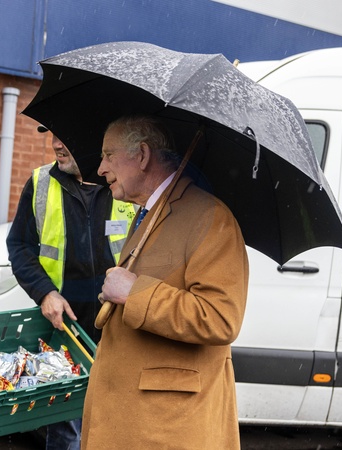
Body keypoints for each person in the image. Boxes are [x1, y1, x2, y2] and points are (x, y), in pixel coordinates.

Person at [81, 115, 249, 449]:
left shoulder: (210, 217)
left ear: (142, 156)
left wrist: (135, 292)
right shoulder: (148, 213)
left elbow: (221, 318)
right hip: (134, 421)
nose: (100, 168)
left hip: (166, 428)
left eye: (109, 155)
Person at [6, 125, 134, 450]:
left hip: (118, 333)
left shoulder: (127, 184)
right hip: (64, 333)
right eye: (52, 135)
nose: (56, 144)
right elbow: (19, 246)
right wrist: (45, 292)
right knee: (65, 435)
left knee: (112, 432)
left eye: (65, 135)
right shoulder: (41, 183)